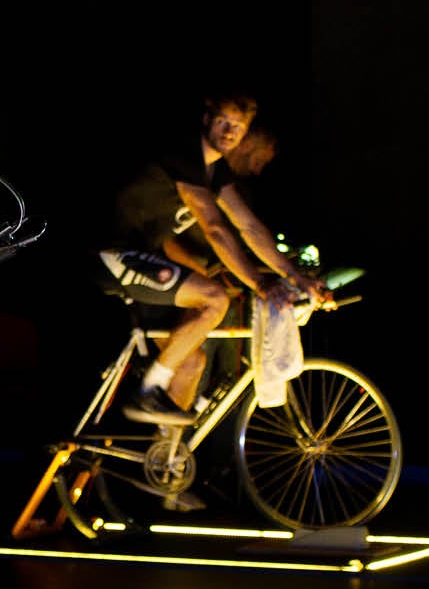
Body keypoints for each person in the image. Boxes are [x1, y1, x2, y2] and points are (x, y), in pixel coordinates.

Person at [99, 95, 332, 424]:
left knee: (191, 362)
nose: (230, 131)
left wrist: (297, 276)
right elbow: (215, 227)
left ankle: (166, 459)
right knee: (213, 298)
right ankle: (147, 391)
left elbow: (248, 226)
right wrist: (260, 282)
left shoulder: (215, 170)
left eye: (238, 127)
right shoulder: (184, 153)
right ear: (207, 118)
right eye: (224, 121)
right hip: (113, 253)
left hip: (142, 260)